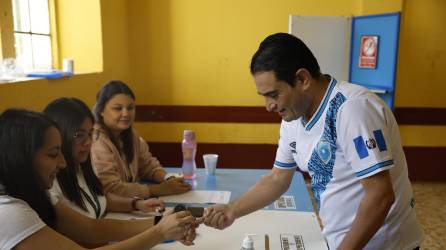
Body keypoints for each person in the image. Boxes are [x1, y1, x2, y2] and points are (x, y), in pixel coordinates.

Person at [203, 33, 422, 250]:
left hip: (385, 244)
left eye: (273, 94)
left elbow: (380, 196)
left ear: (302, 79)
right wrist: (232, 210)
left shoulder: (352, 109)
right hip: (343, 241)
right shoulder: (292, 116)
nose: (268, 105)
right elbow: (277, 178)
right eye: (264, 96)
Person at [0, 109, 197, 249]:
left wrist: (159, 223)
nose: (62, 163)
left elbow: (91, 227)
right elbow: (90, 229)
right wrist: (159, 231)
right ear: (21, 158)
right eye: (53, 154)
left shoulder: (36, 192)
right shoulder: (10, 213)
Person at [44, 97, 165, 219]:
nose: (88, 142)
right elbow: (88, 228)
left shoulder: (82, 164)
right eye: (78, 135)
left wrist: (137, 204)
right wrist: (157, 226)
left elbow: (100, 198)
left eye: (90, 133)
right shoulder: (51, 182)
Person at [91, 80, 191, 198]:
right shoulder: (96, 141)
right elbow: (111, 188)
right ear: (101, 110)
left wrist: (167, 178)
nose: (126, 113)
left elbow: (147, 166)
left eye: (130, 108)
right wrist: (158, 189)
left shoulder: (131, 135)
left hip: (130, 203)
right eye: (117, 108)